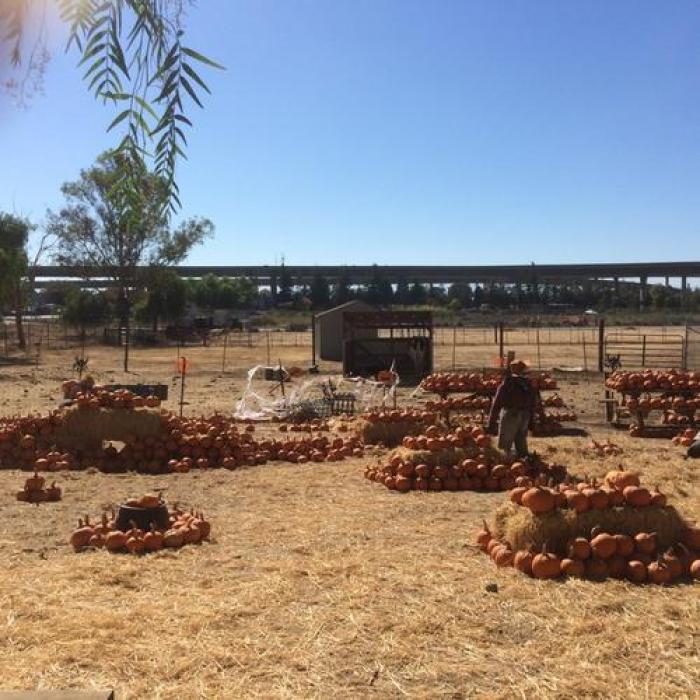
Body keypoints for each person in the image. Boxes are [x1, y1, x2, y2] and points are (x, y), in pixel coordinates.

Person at [487, 360, 543, 458]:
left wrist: (491, 424)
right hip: (525, 416)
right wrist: (531, 423)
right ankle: (524, 461)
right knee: (521, 442)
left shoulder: (508, 384)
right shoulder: (529, 384)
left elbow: (496, 404)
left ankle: (508, 465)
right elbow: (533, 404)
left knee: (505, 445)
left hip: (511, 415)